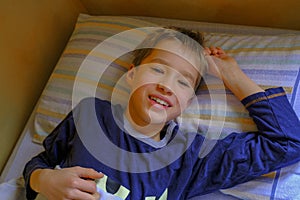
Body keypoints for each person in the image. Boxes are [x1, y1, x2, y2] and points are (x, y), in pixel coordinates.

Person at [23, 26, 300, 200]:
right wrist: (43, 181)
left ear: (189, 100)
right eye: (158, 69)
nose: (167, 85)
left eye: (183, 81)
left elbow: (289, 142)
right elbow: (41, 162)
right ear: (131, 75)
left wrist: (232, 75)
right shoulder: (90, 114)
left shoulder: (193, 155)